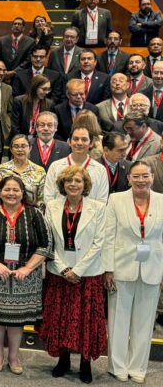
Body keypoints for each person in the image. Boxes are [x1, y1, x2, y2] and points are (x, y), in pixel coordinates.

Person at [0, 175, 52, 374]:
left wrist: (27, 268)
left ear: (23, 193)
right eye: (7, 189)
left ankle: (14, 356)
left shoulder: (34, 214)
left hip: (25, 277)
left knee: (17, 319)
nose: (11, 193)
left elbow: (46, 244)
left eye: (16, 190)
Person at [40, 165, 107, 383]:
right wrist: (64, 269)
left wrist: (77, 270)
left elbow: (98, 243)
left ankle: (85, 363)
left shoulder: (98, 208)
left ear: (85, 184)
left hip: (87, 274)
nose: (73, 184)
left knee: (85, 320)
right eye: (69, 181)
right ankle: (63, 359)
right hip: (59, 273)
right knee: (60, 318)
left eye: (78, 181)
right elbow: (48, 240)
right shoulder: (51, 206)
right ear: (62, 185)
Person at [103, 160, 163, 383]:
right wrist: (108, 268)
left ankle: (138, 367)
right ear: (128, 178)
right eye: (136, 176)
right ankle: (117, 365)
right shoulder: (116, 200)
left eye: (145, 176)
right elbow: (109, 236)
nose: (141, 180)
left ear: (152, 177)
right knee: (118, 318)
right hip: (121, 267)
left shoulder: (162, 201)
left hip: (153, 267)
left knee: (145, 321)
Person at [43, 125, 108, 203]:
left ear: (91, 143)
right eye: (76, 139)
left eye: (84, 139)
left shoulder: (100, 169)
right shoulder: (55, 166)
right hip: (59, 213)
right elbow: (48, 197)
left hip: (90, 214)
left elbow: (102, 200)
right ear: (69, 142)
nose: (79, 143)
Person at [0, 134, 46, 206]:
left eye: (23, 146)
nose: (20, 150)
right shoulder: (2, 169)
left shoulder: (39, 171)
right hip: (6, 211)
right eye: (16, 146)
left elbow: (41, 200)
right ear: (11, 149)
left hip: (31, 213)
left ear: (30, 148)